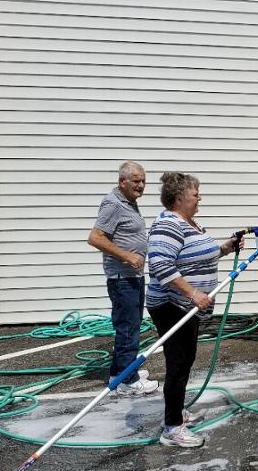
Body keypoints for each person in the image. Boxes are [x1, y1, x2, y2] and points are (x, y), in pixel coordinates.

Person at [146, 172, 243, 448]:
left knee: (185, 361)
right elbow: (160, 266)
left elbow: (198, 255)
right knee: (178, 364)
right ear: (178, 198)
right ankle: (172, 429)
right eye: (195, 194)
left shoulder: (188, 222)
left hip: (185, 306)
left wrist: (226, 247)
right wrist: (193, 293)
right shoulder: (168, 224)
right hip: (171, 304)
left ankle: (176, 413)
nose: (200, 197)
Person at [87, 161, 159, 396]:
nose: (141, 185)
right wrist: (126, 255)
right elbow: (96, 238)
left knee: (133, 325)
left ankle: (122, 371)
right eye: (136, 180)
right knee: (128, 327)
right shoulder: (114, 204)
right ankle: (128, 381)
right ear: (122, 182)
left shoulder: (129, 203)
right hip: (122, 278)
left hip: (133, 276)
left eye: (143, 181)